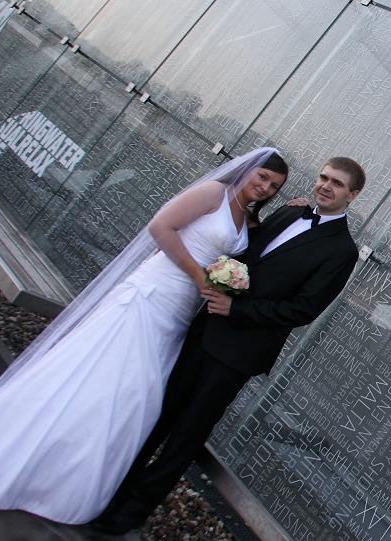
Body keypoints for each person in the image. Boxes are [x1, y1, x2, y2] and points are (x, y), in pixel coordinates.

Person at [0, 147, 288, 524]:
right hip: (152, 294)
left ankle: (71, 478)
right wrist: (198, 275)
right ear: (248, 170)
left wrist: (297, 209)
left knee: (133, 394)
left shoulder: (248, 218)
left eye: (275, 186)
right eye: (263, 177)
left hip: (180, 312)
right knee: (98, 377)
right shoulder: (214, 193)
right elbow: (161, 227)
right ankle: (24, 463)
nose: (266, 187)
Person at [93, 156, 366, 534]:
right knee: (158, 415)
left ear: (353, 195)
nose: (325, 185)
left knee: (186, 436)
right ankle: (108, 494)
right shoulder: (291, 212)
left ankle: (127, 515)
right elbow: (248, 253)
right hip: (205, 328)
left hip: (238, 354)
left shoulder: (343, 251)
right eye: (323, 177)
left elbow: (303, 309)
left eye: (336, 183)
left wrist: (236, 309)